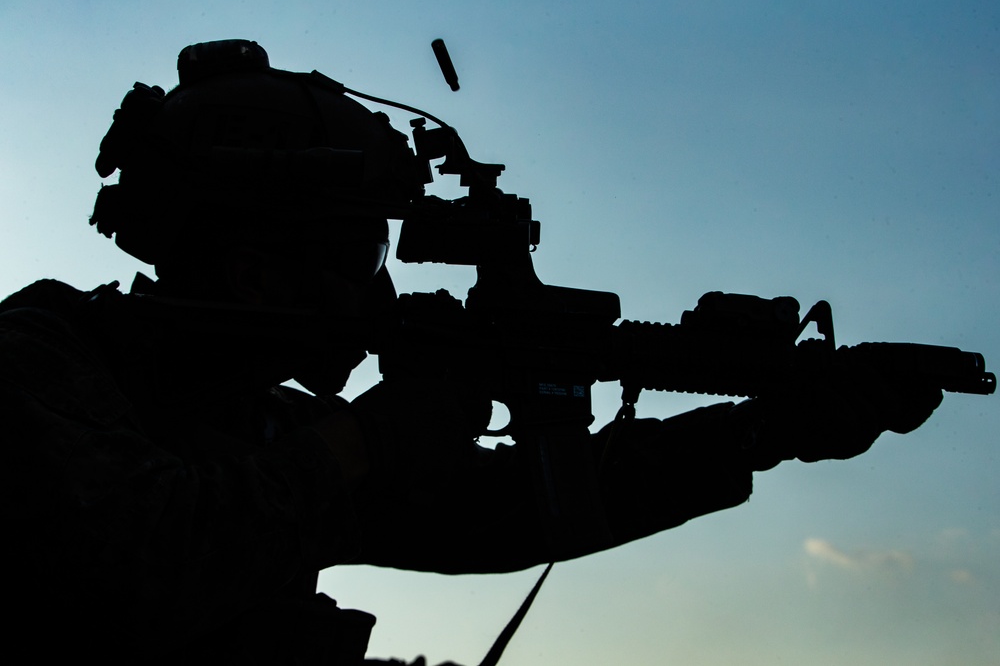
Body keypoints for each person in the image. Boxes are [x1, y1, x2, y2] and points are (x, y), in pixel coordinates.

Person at [0, 40, 942, 665]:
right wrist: (365, 439)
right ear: (253, 271)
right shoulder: (44, 356)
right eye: (356, 252)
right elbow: (125, 572)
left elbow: (507, 511)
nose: (379, 288)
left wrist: (759, 430)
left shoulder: (262, 417)